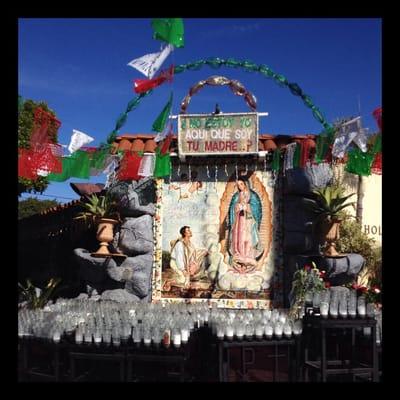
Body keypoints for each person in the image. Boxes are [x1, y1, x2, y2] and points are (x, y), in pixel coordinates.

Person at [228, 176, 263, 271]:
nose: (240, 187)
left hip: (249, 220)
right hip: (239, 220)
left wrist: (247, 207)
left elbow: (256, 208)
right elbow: (232, 209)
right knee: (239, 237)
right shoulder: (236, 196)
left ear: (246, 184)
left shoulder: (252, 195)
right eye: (238, 185)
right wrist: (237, 207)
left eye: (241, 184)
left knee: (248, 238)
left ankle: (248, 256)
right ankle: (240, 255)